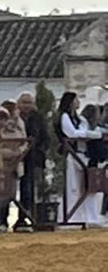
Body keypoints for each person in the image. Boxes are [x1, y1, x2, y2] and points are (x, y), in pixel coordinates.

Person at [57, 92, 104, 228]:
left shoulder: (77, 118)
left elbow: (83, 129)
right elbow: (71, 133)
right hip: (72, 154)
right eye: (76, 99)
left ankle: (89, 217)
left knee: (86, 186)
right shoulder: (64, 117)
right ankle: (72, 218)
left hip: (83, 155)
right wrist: (92, 134)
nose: (78, 102)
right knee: (73, 187)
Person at [17, 92, 44, 227]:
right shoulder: (14, 117)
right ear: (19, 104)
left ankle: (28, 217)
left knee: (29, 189)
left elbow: (44, 136)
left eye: (29, 103)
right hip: (14, 157)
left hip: (32, 158)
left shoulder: (38, 118)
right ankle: (4, 219)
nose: (26, 106)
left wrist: (39, 150)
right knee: (7, 189)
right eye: (24, 102)